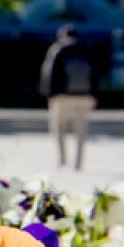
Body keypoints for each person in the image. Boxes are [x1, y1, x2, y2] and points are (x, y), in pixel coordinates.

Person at [40, 25, 96, 170]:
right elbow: (95, 74)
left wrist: (49, 94)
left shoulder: (58, 49)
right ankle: (78, 162)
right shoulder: (86, 49)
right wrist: (94, 95)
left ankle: (62, 159)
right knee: (81, 131)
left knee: (59, 129)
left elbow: (50, 73)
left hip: (61, 97)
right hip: (84, 96)